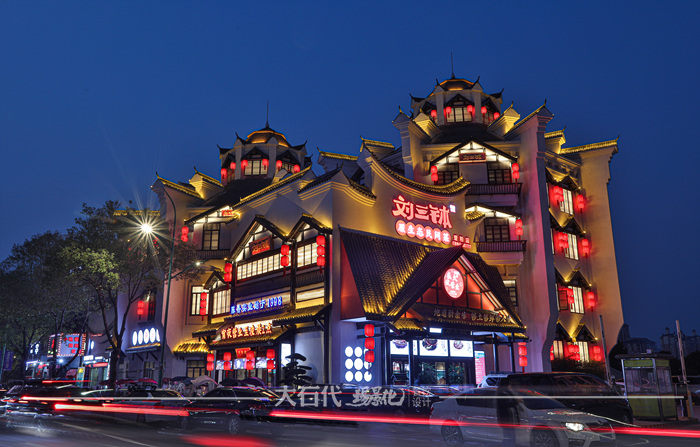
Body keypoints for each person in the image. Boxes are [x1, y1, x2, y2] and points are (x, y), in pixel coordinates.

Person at [496, 379, 520, 447]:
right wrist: (516, 402)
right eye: (509, 384)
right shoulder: (502, 394)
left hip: (510, 418)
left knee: (510, 436)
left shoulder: (507, 393)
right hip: (506, 418)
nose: (510, 386)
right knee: (509, 436)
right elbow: (505, 405)